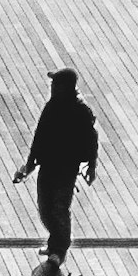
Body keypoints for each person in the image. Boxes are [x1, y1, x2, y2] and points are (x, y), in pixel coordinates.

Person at [14, 69, 99, 262]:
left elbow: (91, 139)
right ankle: (55, 242)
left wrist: (92, 165)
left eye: (55, 84)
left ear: (65, 87)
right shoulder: (51, 106)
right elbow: (40, 134)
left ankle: (59, 251)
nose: (52, 87)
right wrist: (30, 162)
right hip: (48, 165)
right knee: (45, 208)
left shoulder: (81, 111)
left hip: (66, 169)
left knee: (59, 208)